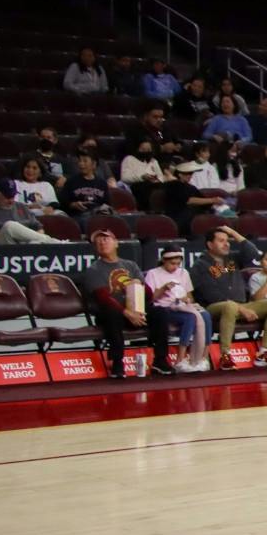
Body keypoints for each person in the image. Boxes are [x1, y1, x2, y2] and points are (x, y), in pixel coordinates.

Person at [190, 225, 267, 368]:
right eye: (221, 241)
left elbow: (253, 253)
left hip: (241, 305)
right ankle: (225, 355)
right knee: (230, 306)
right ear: (210, 244)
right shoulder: (201, 265)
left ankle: (265, 351)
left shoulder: (232, 259)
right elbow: (211, 294)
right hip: (214, 307)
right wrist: (240, 308)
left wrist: (233, 232)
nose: (226, 244)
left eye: (227, 240)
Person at [81, 229, 150, 379]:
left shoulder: (130, 265)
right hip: (110, 314)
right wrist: (127, 312)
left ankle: (160, 360)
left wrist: (140, 284)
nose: (102, 242)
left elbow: (148, 294)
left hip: (135, 311)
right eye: (98, 241)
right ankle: (117, 362)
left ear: (116, 243)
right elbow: (103, 297)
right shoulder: (94, 270)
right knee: (112, 313)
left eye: (106, 239)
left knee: (159, 312)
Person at [145, 244, 211, 372]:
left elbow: (190, 296)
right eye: (172, 263)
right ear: (164, 260)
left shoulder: (183, 273)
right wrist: (164, 288)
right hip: (164, 308)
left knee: (205, 315)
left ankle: (203, 357)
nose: (175, 267)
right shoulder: (153, 274)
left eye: (178, 264)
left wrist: (186, 299)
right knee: (190, 317)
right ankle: (180, 359)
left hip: (182, 305)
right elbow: (150, 298)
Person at [0, 180, 54, 244]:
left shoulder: (21, 206)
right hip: (2, 246)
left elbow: (39, 228)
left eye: (13, 196)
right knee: (9, 226)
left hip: (26, 245)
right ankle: (54, 243)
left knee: (35, 241)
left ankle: (52, 243)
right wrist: (9, 235)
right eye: (7, 196)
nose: (11, 200)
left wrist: (31, 240)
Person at [60, 152, 113, 218]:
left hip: (99, 215)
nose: (81, 164)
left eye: (85, 161)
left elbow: (108, 204)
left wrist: (103, 210)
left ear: (94, 164)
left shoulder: (102, 183)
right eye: (80, 161)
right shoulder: (71, 181)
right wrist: (73, 205)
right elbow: (63, 203)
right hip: (79, 215)